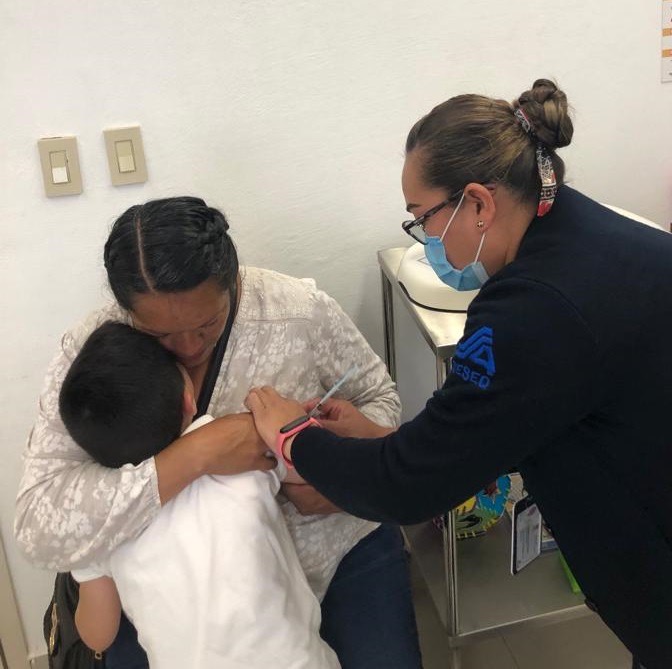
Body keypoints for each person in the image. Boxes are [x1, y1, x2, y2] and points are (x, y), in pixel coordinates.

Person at [245, 79, 672, 669]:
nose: (426, 239)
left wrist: (294, 436)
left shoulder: (530, 312)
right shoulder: (591, 226)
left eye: (422, 218)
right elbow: (513, 414)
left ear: (477, 203)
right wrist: (391, 443)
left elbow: (408, 488)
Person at [15, 197, 422, 669]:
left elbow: (380, 399)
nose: (189, 347)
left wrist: (342, 477)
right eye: (160, 336)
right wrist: (198, 454)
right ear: (125, 311)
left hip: (336, 549)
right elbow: (39, 526)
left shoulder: (297, 312)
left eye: (208, 324)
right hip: (179, 597)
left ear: (233, 283)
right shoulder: (94, 354)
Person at [60, 321, 340, 668]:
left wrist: (84, 566)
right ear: (188, 399)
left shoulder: (103, 517)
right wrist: (298, 426)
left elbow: (97, 636)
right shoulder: (233, 443)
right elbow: (316, 469)